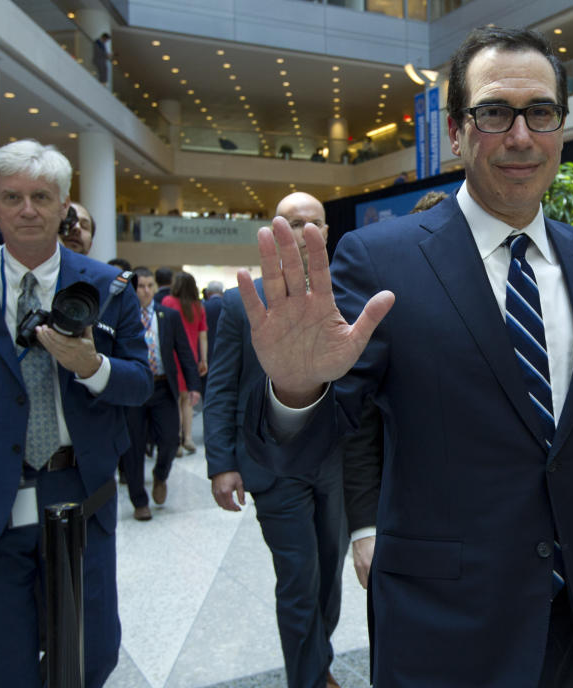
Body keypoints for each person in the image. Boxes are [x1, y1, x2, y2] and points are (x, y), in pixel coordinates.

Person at [237, 27, 573, 688]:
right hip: (440, 627)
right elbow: (312, 447)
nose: (520, 135)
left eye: (541, 112)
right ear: (456, 130)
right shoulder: (381, 262)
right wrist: (295, 387)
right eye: (493, 113)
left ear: (561, 129)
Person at [0, 139, 152, 686]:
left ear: (64, 206)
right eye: (12, 197)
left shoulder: (107, 286)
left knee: (89, 654)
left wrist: (92, 366)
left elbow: (141, 382)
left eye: (41, 196)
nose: (27, 209)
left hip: (78, 492)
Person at [204, 191, 350, 688]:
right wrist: (221, 463)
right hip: (273, 462)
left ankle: (319, 660)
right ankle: (307, 679)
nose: (305, 230)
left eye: (315, 222)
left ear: (327, 232)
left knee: (329, 575)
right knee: (298, 577)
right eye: (292, 221)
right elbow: (221, 385)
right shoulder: (239, 303)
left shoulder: (348, 292)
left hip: (335, 460)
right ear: (273, 230)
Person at [122, 267, 200, 520]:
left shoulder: (168, 316)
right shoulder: (123, 317)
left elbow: (185, 352)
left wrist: (193, 386)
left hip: (163, 386)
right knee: (132, 447)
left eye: (149, 286)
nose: (146, 291)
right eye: (141, 286)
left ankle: (160, 475)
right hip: (133, 390)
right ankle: (139, 501)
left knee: (169, 439)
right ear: (132, 291)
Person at [162, 271, 207, 454]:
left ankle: (178, 441)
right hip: (191, 357)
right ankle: (188, 437)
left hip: (172, 356)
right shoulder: (198, 306)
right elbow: (203, 336)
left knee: (176, 400)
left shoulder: (168, 302)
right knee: (188, 400)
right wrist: (203, 359)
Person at [201, 280, 224, 398]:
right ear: (222, 292)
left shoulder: (203, 307)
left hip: (207, 349)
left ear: (208, 293)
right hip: (225, 349)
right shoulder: (228, 305)